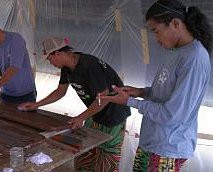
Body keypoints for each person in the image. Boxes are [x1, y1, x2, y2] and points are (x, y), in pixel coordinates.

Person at [99, 0, 212, 171]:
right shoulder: (177, 52)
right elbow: (166, 93)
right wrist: (140, 92)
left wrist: (130, 102)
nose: (156, 38)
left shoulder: (194, 59)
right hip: (153, 142)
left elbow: (172, 114)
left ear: (175, 24)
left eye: (156, 31)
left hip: (167, 148)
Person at [18, 37, 131, 171]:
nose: (50, 62)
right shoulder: (67, 68)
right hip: (95, 113)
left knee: (106, 163)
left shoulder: (89, 65)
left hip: (114, 115)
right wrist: (36, 105)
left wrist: (81, 118)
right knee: (83, 158)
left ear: (58, 53)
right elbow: (60, 91)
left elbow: (104, 98)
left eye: (49, 58)